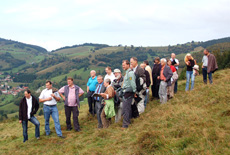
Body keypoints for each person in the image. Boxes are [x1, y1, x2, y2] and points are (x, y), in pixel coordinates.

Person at [121, 60, 136, 128]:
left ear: (128, 65)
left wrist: (134, 91)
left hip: (128, 92)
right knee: (125, 108)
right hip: (125, 91)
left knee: (126, 108)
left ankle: (125, 124)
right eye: (122, 65)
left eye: (124, 65)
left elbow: (132, 83)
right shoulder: (127, 72)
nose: (123, 66)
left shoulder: (130, 73)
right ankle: (128, 121)